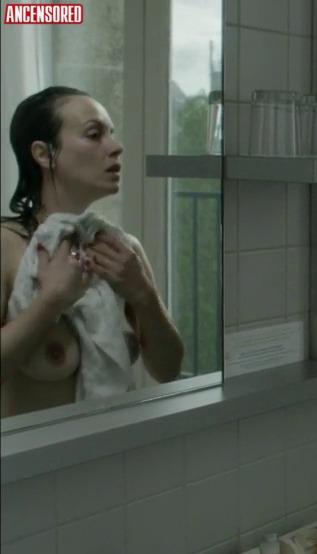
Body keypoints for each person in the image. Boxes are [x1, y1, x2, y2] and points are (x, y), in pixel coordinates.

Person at [0, 86, 184, 417]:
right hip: (34, 452)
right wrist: (51, 301)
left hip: (114, 446)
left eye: (111, 134)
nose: (115, 147)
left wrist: (143, 295)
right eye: (94, 134)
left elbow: (168, 370)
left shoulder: (123, 250)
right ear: (43, 153)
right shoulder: (6, 246)